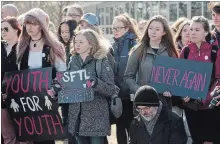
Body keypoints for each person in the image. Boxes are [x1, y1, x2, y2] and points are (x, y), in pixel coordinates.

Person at [16, 8, 66, 144]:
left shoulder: (54, 46)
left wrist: (55, 88)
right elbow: (19, 73)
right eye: (27, 23)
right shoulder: (22, 46)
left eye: (34, 23)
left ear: (42, 25)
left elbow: (62, 72)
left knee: (46, 138)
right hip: (28, 100)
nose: (29, 27)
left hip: (47, 98)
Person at [67, 29, 115, 144]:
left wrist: (95, 83)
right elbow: (68, 87)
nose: (77, 44)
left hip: (96, 118)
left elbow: (110, 89)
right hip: (77, 118)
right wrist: (57, 87)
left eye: (81, 42)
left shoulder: (101, 61)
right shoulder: (72, 61)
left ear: (91, 44)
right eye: (75, 42)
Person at [124, 15, 179, 111]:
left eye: (157, 29)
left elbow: (176, 77)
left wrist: (171, 89)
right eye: (150, 28)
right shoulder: (138, 50)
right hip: (143, 102)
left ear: (164, 32)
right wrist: (140, 90)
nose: (153, 32)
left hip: (164, 103)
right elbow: (128, 77)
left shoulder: (170, 52)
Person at [180, 16, 220, 143]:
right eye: (191, 29)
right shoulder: (185, 51)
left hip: (211, 106)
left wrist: (206, 97)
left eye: (197, 30)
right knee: (197, 140)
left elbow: (219, 78)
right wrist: (183, 94)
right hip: (191, 106)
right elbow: (180, 77)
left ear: (206, 32)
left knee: (211, 140)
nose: (192, 32)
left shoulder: (215, 51)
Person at [111, 13, 138, 144]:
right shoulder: (112, 45)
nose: (115, 31)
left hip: (131, 94)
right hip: (118, 94)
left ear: (127, 28)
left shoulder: (135, 44)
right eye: (113, 28)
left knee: (132, 127)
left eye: (118, 28)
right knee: (119, 127)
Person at [1, 16, 21, 144]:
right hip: (3, 99)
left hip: (21, 98)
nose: (3, 32)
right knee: (7, 136)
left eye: (6, 29)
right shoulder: (1, 48)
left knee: (24, 136)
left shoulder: (24, 48)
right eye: (1, 29)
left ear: (16, 30)